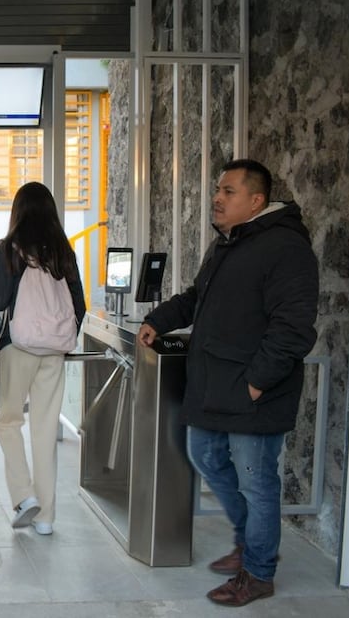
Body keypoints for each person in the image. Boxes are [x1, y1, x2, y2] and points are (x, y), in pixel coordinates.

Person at [136, 159, 319, 607]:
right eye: (218, 190)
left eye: (228, 191)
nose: (217, 198)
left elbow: (294, 328)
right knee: (204, 453)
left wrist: (256, 384)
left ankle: (257, 573)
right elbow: (197, 298)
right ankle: (248, 539)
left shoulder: (286, 248)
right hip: (216, 385)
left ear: (256, 200)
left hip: (255, 392)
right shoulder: (227, 243)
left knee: (257, 482)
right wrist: (158, 320)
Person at [0, 181, 86, 537]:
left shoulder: (10, 248)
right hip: (54, 352)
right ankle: (46, 517)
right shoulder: (63, 251)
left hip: (18, 347)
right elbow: (79, 304)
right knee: (44, 428)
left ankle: (24, 496)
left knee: (7, 421)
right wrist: (60, 336)